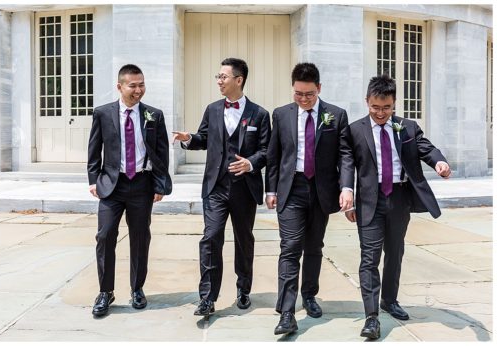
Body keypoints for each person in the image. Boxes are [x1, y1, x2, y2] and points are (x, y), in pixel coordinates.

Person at [341, 75, 450, 340]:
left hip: (399, 198)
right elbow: (346, 161)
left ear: (394, 104)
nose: (380, 113)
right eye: (375, 107)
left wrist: (439, 163)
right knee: (369, 257)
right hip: (369, 200)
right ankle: (371, 317)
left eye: (386, 108)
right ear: (367, 101)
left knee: (395, 252)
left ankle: (389, 300)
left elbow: (426, 148)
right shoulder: (355, 130)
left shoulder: (408, 127)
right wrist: (347, 190)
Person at [171, 58, 270, 316]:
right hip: (215, 187)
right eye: (218, 76)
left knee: (243, 240)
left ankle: (243, 289)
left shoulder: (260, 114)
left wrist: (250, 163)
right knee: (211, 238)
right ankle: (207, 297)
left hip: (244, 189)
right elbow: (204, 138)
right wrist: (188, 139)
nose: (219, 81)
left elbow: (266, 150)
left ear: (239, 80)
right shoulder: (213, 109)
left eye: (223, 77)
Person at [264, 62, 354, 335]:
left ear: (319, 89)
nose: (303, 99)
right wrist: (271, 189)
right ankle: (287, 312)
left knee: (314, 247)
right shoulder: (281, 114)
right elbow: (274, 155)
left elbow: (345, 155)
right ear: (293, 89)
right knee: (290, 247)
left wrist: (346, 187)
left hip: (321, 190)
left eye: (309, 94)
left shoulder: (336, 115)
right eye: (298, 94)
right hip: (291, 189)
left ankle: (310, 295)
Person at [86, 63, 172, 317]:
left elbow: (161, 152)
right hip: (112, 185)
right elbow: (94, 149)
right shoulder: (103, 113)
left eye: (141, 84)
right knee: (105, 236)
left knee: (140, 237)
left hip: (142, 185)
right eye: (132, 85)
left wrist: (159, 184)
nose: (138, 90)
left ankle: (137, 288)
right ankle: (105, 291)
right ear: (120, 86)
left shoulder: (154, 115)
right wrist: (93, 179)